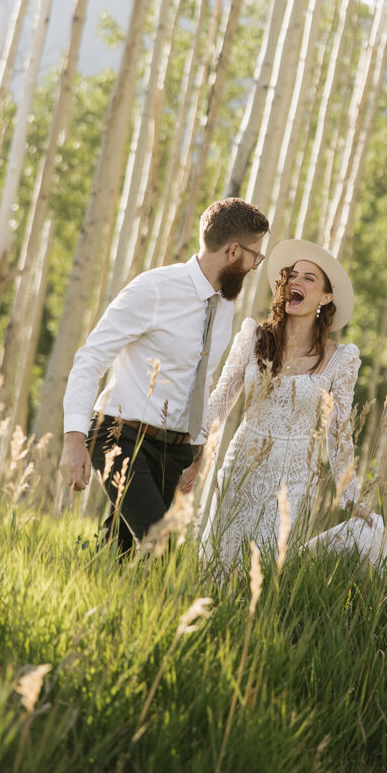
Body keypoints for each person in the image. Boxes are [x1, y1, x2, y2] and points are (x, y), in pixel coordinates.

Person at [59, 198, 269, 554]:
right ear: (234, 251)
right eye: (255, 256)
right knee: (164, 550)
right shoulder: (154, 289)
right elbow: (90, 359)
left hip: (175, 450)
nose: (254, 266)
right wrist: (73, 441)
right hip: (118, 436)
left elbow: (200, 381)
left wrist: (197, 447)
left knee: (120, 555)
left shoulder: (225, 306)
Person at [199, 238, 387, 573]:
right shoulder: (254, 337)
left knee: (261, 571)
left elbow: (339, 435)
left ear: (325, 297)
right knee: (218, 566)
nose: (295, 282)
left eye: (308, 278)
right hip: (242, 463)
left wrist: (351, 498)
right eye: (292, 275)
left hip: (292, 476)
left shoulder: (340, 360)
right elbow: (220, 399)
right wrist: (191, 452)